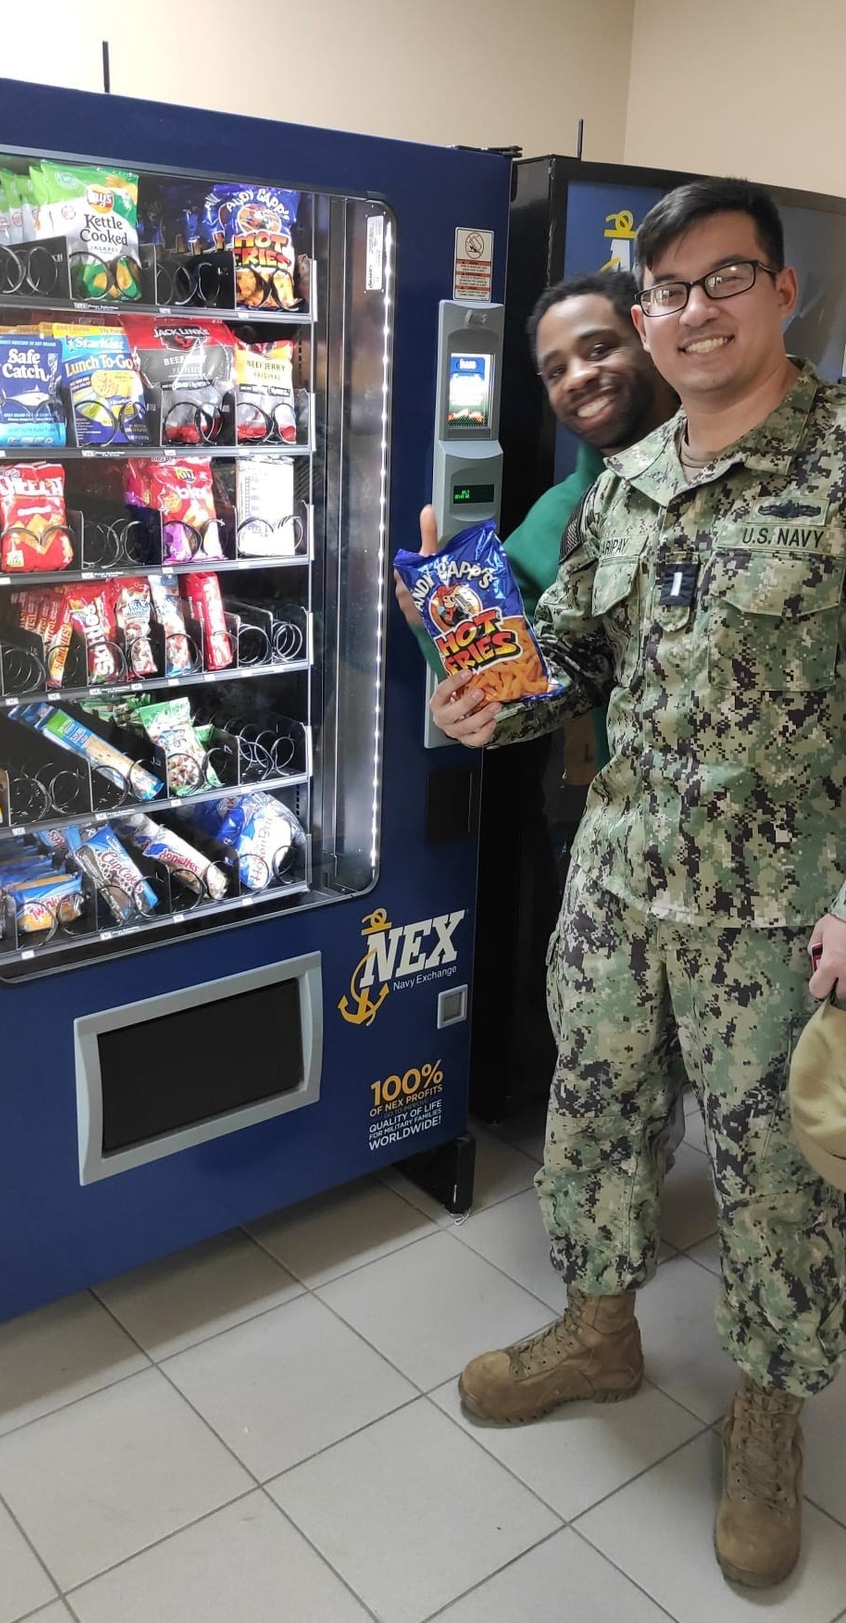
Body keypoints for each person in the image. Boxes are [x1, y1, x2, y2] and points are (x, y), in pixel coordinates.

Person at [427, 178, 846, 1591]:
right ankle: (597, 1330)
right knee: (592, 1120)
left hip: (782, 918)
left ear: (783, 294)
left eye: (721, 280)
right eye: (666, 289)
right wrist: (488, 688)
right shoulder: (626, 481)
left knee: (777, 1185)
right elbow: (573, 660)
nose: (689, 311)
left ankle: (771, 1415)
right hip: (615, 888)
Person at [395, 269, 687, 1149]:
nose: (578, 379)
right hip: (617, 834)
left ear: (648, 333)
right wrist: (435, 620)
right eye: (556, 368)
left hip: (767, 865)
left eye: (599, 348)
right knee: (608, 1085)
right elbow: (510, 667)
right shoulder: (568, 512)